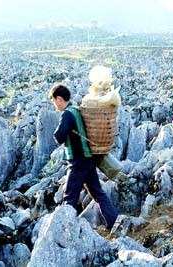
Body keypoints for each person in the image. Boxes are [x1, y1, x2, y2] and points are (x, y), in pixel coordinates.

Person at [49, 83, 118, 229]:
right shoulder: (77, 110)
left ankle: (65, 230)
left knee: (70, 196)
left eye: (54, 100)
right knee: (98, 193)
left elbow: (59, 136)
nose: (54, 104)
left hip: (78, 162)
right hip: (89, 159)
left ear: (59, 99)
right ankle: (115, 223)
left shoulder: (67, 114)